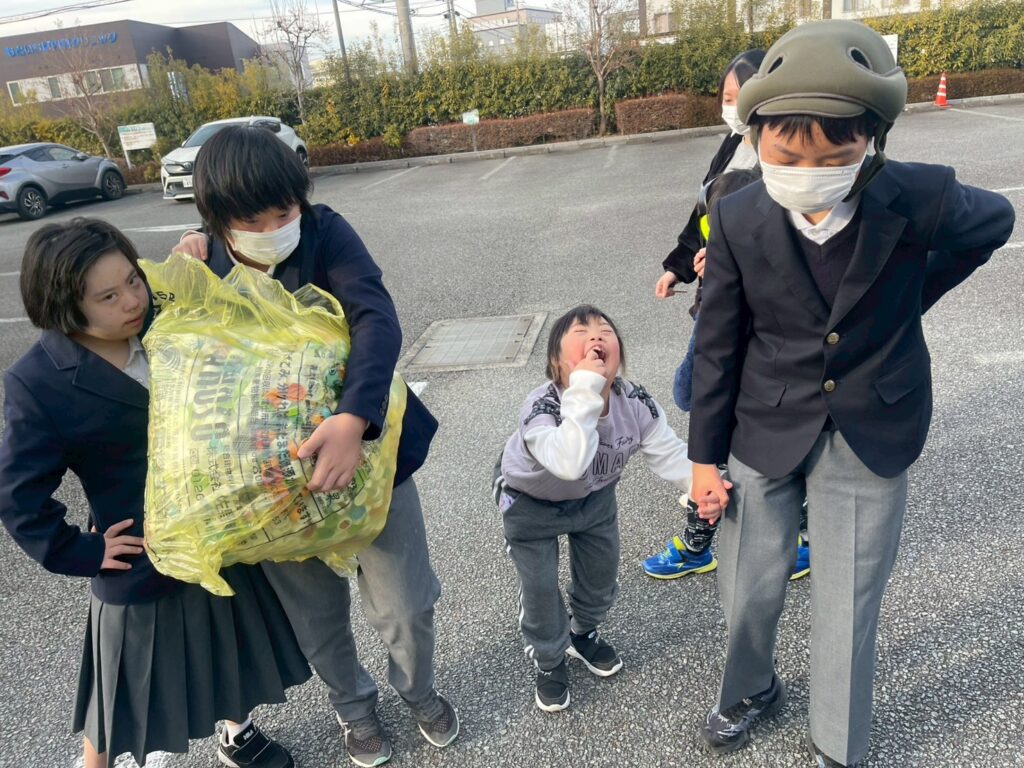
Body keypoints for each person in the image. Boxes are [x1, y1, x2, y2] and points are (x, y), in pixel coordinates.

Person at [687, 21, 1015, 767]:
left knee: (848, 598)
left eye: (833, 157)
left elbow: (995, 221)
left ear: (871, 142)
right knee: (747, 583)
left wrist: (910, 296)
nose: (807, 170)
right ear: (757, 136)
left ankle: (837, 742)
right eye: (786, 153)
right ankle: (750, 688)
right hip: (763, 418)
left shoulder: (915, 195)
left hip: (870, 425)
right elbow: (716, 342)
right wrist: (703, 459)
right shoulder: (736, 212)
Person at [176, 125, 457, 768]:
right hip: (277, 484)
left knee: (407, 603)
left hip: (370, 458)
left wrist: (354, 419)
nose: (275, 228)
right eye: (253, 220)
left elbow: (374, 316)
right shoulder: (204, 263)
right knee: (316, 617)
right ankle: (354, 709)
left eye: (285, 211)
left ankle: (419, 691)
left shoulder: (326, 231)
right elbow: (177, 362)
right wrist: (180, 274)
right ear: (217, 218)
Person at [0, 218, 311, 768]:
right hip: (140, 552)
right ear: (65, 306)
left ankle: (236, 732)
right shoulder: (39, 382)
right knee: (121, 686)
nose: (131, 300)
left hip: (216, 524)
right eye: (108, 296)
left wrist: (199, 238)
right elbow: (17, 496)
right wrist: (84, 551)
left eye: (133, 280)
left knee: (226, 638)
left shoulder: (164, 319)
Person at [492, 305, 722, 713]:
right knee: (540, 588)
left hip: (594, 497)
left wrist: (705, 487)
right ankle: (549, 659)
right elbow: (569, 462)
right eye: (581, 332)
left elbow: (670, 454)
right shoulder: (542, 405)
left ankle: (582, 634)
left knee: (600, 578)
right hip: (529, 503)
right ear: (556, 362)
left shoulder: (634, 401)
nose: (596, 336)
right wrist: (584, 387)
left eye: (605, 330)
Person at [644, 169, 811, 582]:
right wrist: (682, 271)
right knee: (760, 473)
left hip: (749, 399)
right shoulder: (740, 235)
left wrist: (719, 283)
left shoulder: (748, 276)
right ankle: (793, 542)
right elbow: (692, 239)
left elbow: (688, 390)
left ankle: (699, 549)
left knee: (731, 477)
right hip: (755, 397)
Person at [654, 48, 765, 304]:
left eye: (743, 97)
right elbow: (704, 213)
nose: (734, 107)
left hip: (753, 299)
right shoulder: (733, 142)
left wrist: (725, 262)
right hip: (715, 292)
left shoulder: (782, 154)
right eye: (728, 99)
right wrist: (676, 269)